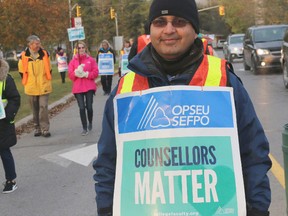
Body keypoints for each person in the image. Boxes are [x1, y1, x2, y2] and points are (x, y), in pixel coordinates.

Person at [93, 0, 271, 215]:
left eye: (179, 21)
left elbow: (253, 154)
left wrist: (258, 208)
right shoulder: (125, 88)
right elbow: (108, 162)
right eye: (160, 22)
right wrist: (106, 209)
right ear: (150, 30)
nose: (169, 30)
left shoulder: (223, 80)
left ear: (194, 29)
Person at [18, 35, 52, 138]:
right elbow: (21, 72)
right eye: (36, 44)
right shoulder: (23, 56)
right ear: (30, 44)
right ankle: (37, 127)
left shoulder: (45, 54)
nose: (39, 45)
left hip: (44, 85)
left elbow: (49, 69)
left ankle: (45, 129)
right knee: (35, 109)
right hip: (31, 87)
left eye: (39, 43)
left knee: (43, 107)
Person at [68, 41, 99, 136]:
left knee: (89, 107)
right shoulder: (73, 61)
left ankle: (90, 122)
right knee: (82, 108)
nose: (81, 49)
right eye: (79, 48)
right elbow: (70, 75)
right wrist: (76, 73)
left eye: (82, 47)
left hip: (89, 86)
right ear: (76, 50)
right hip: (78, 88)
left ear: (85, 48)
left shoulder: (91, 60)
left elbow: (96, 72)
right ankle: (84, 127)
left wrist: (87, 74)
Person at [0, 59, 21, 193]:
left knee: (4, 151)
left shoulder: (6, 79)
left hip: (3, 122)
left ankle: (11, 180)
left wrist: (7, 115)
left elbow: (15, 99)